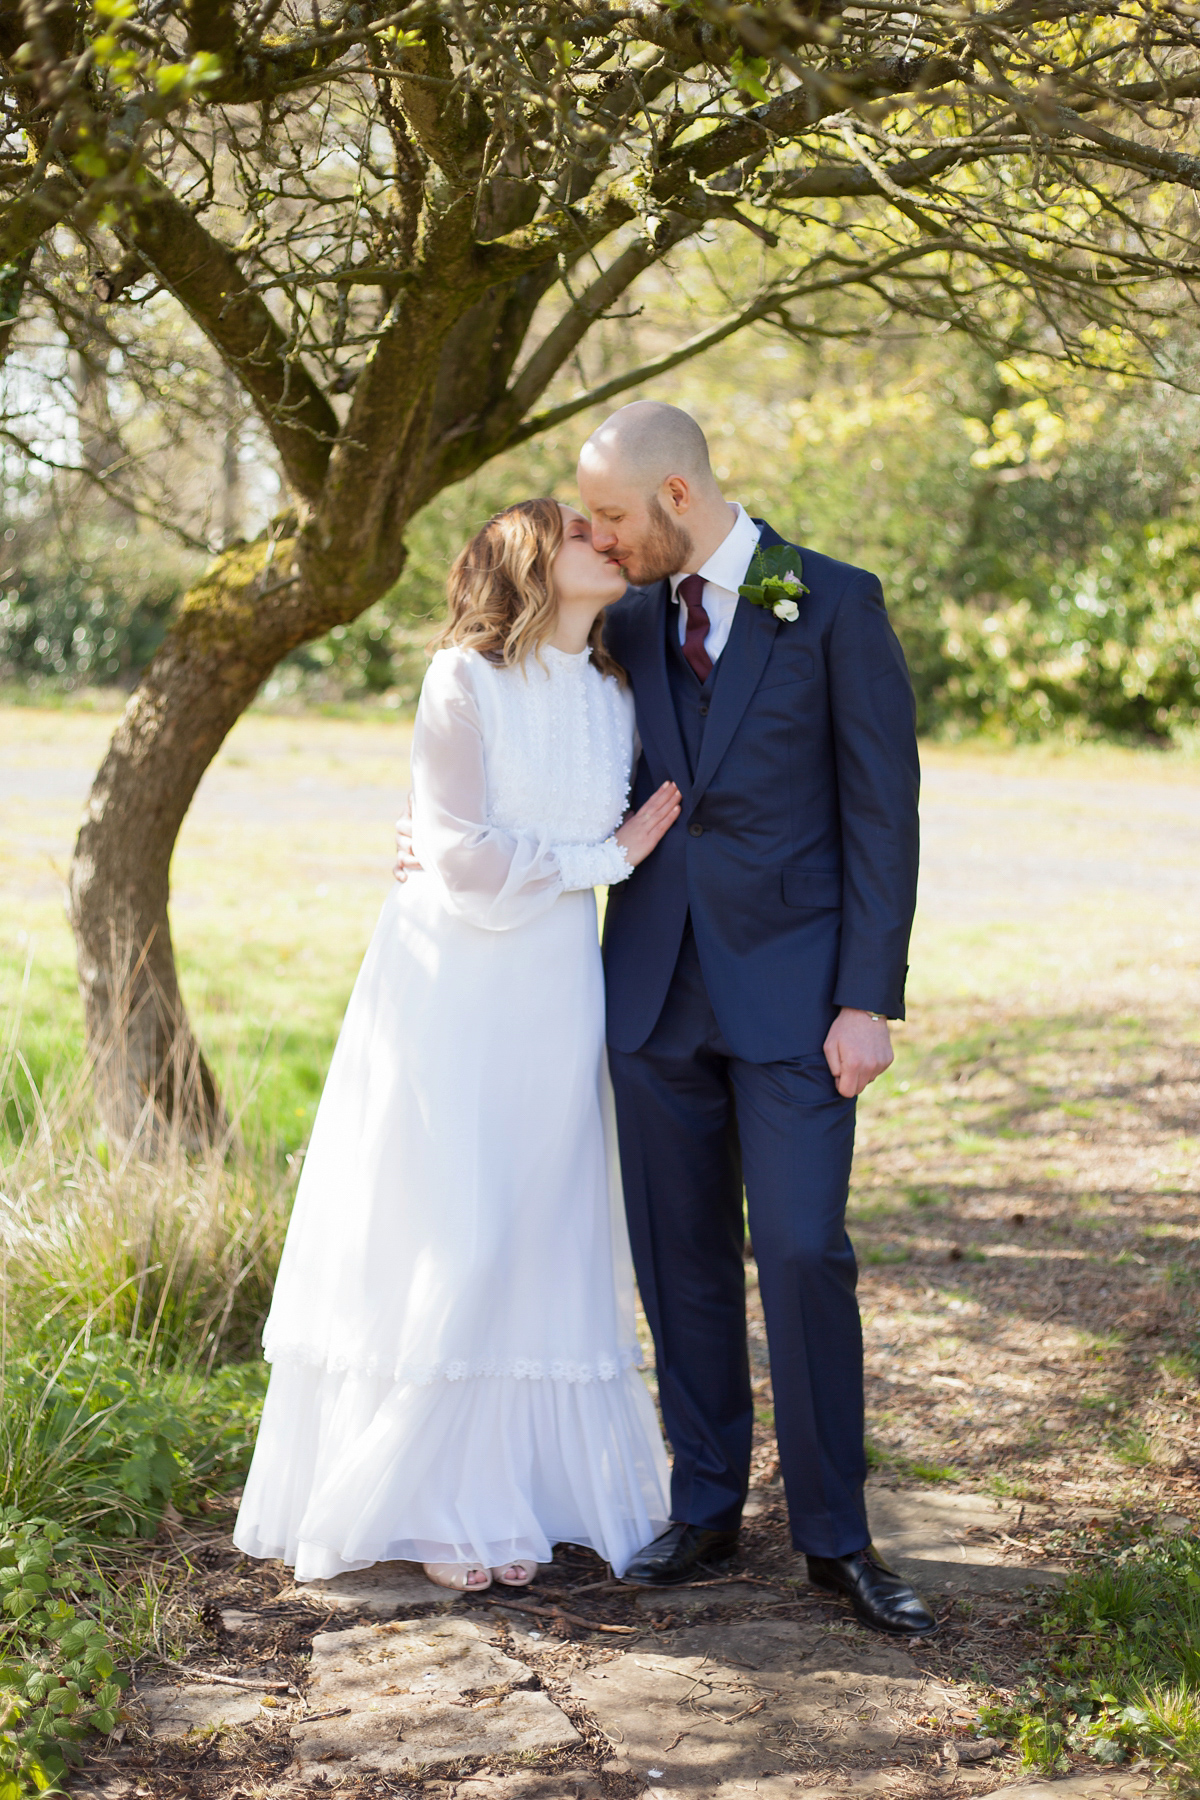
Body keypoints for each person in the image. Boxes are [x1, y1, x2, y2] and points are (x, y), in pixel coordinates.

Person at [234, 499, 677, 1593]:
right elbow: (466, 869)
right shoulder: (462, 680)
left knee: (538, 1219)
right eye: (581, 531)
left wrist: (574, 859)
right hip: (454, 980)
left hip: (558, 983)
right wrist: (607, 858)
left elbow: (483, 847)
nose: (605, 542)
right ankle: (430, 1498)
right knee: (458, 1221)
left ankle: (516, 1489)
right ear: (530, 560)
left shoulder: (620, 688)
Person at [574, 401, 934, 1634]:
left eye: (614, 517)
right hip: (655, 996)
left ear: (677, 496)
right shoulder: (621, 620)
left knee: (798, 1251)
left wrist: (866, 999)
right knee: (679, 1265)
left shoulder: (834, 602)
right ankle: (707, 1505)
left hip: (797, 1004)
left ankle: (837, 1539)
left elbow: (884, 812)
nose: (600, 539)